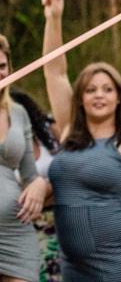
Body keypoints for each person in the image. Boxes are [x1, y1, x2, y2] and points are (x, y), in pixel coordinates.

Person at [41, 0, 121, 282]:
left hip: (118, 260)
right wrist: (53, 18)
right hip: (72, 265)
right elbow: (54, 72)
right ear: (80, 97)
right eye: (91, 89)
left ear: (119, 97)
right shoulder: (70, 129)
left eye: (107, 89)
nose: (99, 96)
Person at [0, 34, 48, 282]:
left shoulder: (18, 114)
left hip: (15, 233)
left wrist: (39, 184)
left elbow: (30, 174)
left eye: (2, 66)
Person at [10, 88, 63, 282]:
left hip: (58, 223)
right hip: (18, 229)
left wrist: (45, 185)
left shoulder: (49, 132)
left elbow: (73, 171)